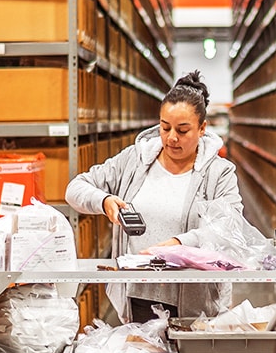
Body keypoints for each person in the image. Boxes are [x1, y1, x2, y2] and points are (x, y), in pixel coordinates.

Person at [65, 69, 243, 322]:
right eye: (165, 127)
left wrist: (179, 245)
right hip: (138, 295)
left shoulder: (219, 173)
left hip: (196, 302)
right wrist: (104, 201)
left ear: (202, 128)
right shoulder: (134, 160)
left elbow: (230, 227)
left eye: (182, 130)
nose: (171, 138)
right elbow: (75, 188)